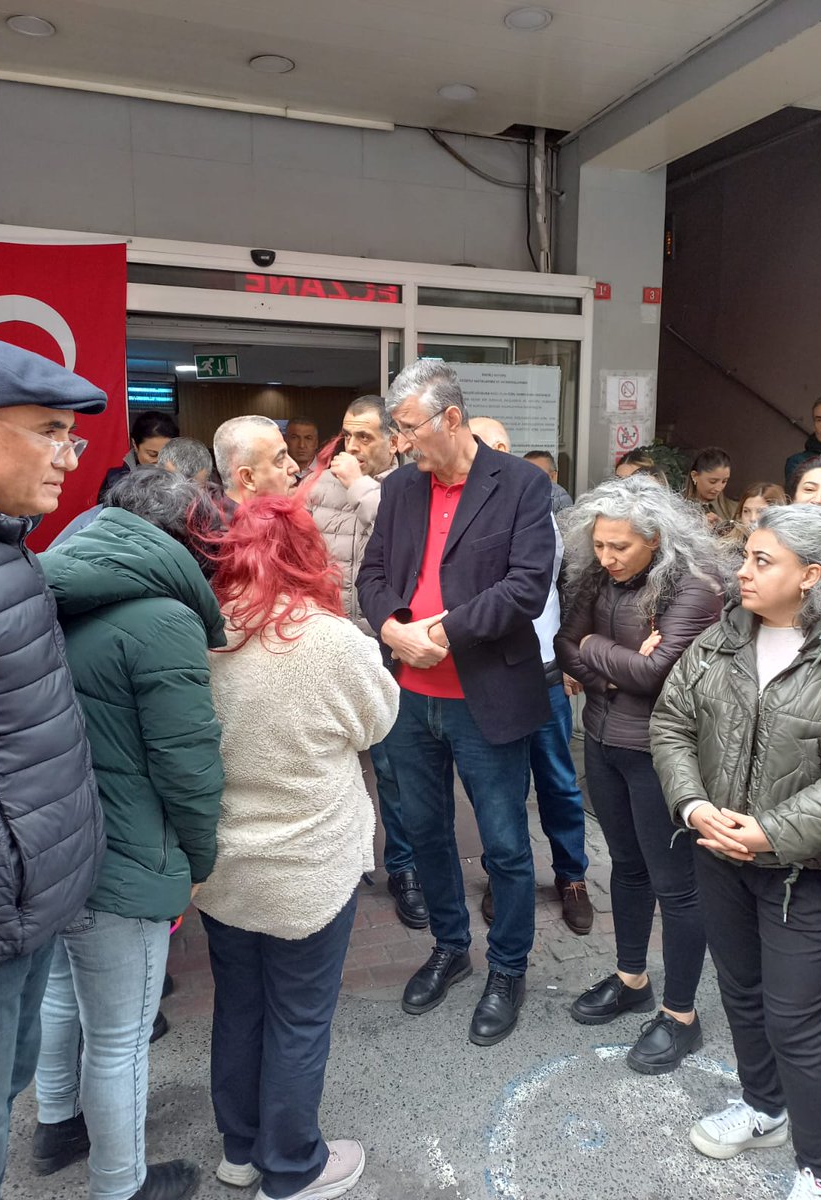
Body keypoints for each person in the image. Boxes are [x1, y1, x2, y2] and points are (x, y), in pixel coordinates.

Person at [193, 496, 398, 1200]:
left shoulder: (200, 630)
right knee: (300, 1016)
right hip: (310, 867)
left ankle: (241, 1149)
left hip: (223, 868)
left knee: (239, 1005)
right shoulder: (331, 640)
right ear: (307, 552)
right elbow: (377, 724)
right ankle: (293, 1166)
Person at [651, 504, 821, 1200]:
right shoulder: (720, 640)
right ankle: (764, 1109)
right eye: (746, 556)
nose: (742, 570)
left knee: (795, 1022)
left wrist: (770, 830)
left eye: (761, 560)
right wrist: (694, 805)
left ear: (811, 575)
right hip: (717, 858)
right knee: (739, 995)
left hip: (803, 873)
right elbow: (671, 723)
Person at [34, 468, 226, 1200]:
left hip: (50, 839)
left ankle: (56, 1124)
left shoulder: (47, 584)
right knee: (118, 1038)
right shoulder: (165, 620)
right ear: (187, 537)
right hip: (124, 853)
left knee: (60, 990)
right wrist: (199, 859)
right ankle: (122, 1184)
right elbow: (188, 767)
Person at [358, 361, 556, 1047]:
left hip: (486, 696)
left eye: (408, 428)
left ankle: (508, 967)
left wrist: (440, 634)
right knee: (425, 832)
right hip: (410, 699)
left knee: (503, 844)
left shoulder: (523, 484)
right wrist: (391, 629)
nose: (400, 442)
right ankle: (450, 946)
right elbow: (374, 574)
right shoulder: (401, 489)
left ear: (450, 418)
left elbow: (526, 587)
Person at [0, 337, 107, 1200]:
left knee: (0, 1093)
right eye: (49, 430)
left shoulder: (1, 542)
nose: (66, 454)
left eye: (73, 437)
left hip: (25, 903)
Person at [554, 475, 724, 1074]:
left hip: (662, 756)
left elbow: (655, 676)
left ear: (656, 538)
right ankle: (632, 980)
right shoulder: (598, 576)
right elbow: (564, 644)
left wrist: (599, 656)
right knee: (625, 868)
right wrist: (613, 664)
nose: (606, 557)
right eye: (600, 545)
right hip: (602, 741)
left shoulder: (696, 588)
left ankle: (682, 1016)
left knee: (675, 885)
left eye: (620, 547)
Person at [303, 396, 427, 930]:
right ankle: (343, 859)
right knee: (330, 757)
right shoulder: (317, 486)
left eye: (366, 437)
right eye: (347, 435)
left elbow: (406, 541)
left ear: (395, 440)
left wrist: (358, 484)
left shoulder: (413, 485)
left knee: (395, 766)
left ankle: (404, 868)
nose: (351, 447)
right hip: (329, 640)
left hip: (385, 642)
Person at [470, 419, 592, 936]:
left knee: (560, 785)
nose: (497, 457)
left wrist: (570, 660)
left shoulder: (543, 510)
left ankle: (572, 876)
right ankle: (506, 874)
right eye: (485, 449)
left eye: (502, 448)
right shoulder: (459, 520)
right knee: (503, 789)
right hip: (489, 677)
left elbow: (572, 589)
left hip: (543, 675)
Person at [52, 436, 215, 547]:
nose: (182, 496)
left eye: (192, 488)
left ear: (206, 486)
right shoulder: (102, 518)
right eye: (172, 482)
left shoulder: (216, 528)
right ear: (156, 471)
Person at [213, 415, 298, 511]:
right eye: (280, 459)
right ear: (248, 477)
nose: (295, 467)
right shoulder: (230, 525)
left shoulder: (277, 520)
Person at [99, 410, 180, 498]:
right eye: (152, 454)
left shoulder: (183, 481)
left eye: (166, 454)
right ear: (135, 445)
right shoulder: (115, 481)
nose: (160, 461)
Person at [717, 482, 788, 548]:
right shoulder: (728, 545)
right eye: (746, 511)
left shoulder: (788, 547)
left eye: (761, 512)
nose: (752, 518)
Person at [684, 446, 734, 526]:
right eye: (713, 481)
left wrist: (723, 528)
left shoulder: (733, 510)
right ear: (694, 476)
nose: (719, 488)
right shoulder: (678, 508)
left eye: (724, 481)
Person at [522, 449, 574, 516]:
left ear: (553, 476)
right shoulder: (513, 493)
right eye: (526, 473)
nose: (531, 479)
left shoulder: (558, 497)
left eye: (537, 474)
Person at [284, 416, 320, 483]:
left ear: (316, 443)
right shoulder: (276, 472)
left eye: (308, 438)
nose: (301, 445)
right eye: (295, 438)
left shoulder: (330, 471)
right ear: (286, 441)